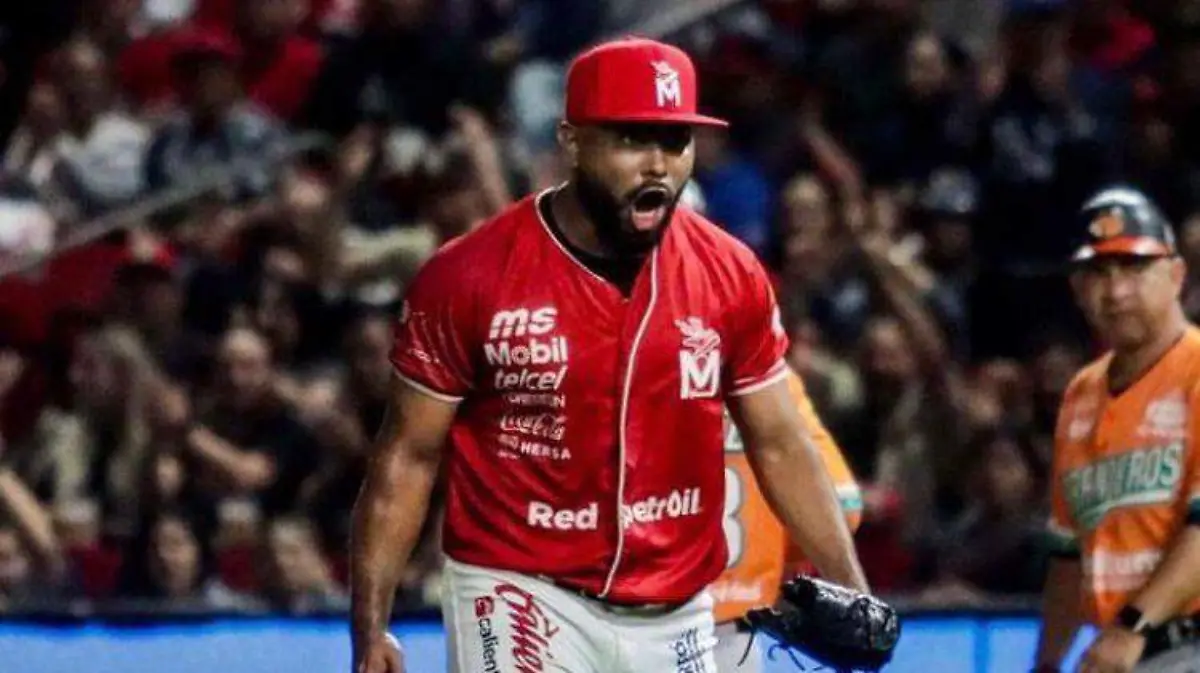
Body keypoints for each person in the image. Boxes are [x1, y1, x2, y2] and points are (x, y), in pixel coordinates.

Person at [350, 37, 869, 673]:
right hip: (518, 584)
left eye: (674, 142)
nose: (657, 165)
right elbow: (407, 455)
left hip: (677, 602)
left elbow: (782, 442)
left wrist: (856, 592)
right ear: (571, 141)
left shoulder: (731, 274)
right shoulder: (469, 275)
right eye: (631, 139)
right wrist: (371, 626)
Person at [1033, 186, 1200, 673]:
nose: (1116, 291)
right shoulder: (1081, 393)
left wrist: (1132, 626)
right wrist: (1046, 663)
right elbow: (1068, 555)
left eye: (1134, 268)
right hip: (1128, 650)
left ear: (1176, 275)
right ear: (1077, 289)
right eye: (1099, 273)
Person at [712, 369, 864, 672]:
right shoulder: (770, 381)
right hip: (736, 628)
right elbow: (845, 506)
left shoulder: (649, 373)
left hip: (643, 612)